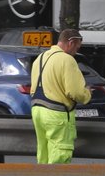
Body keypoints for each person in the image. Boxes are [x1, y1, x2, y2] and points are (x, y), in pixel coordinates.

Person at [29, 28, 92, 164]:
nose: (76, 52)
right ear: (71, 42)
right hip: (56, 114)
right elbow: (74, 92)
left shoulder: (40, 58)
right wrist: (87, 94)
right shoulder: (67, 60)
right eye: (77, 47)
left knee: (44, 152)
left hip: (37, 111)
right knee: (60, 153)